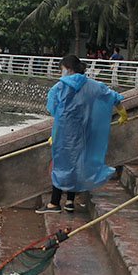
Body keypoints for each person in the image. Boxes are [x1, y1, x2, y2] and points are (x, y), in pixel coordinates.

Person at [37, 55, 128, 214]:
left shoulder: (60, 87)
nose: (62, 72)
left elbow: (53, 108)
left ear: (68, 69)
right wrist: (123, 114)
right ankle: (70, 201)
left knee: (60, 166)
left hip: (65, 135)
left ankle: (54, 203)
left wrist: (55, 133)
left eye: (62, 69)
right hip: (85, 133)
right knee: (76, 164)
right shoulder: (93, 85)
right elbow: (113, 97)